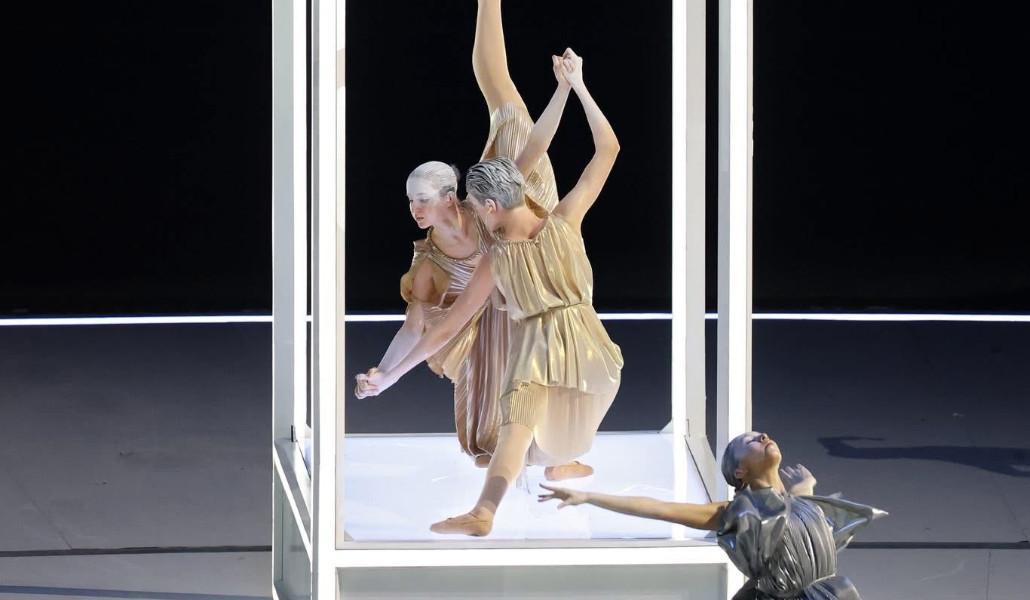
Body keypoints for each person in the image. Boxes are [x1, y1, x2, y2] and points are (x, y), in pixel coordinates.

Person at [358, 49, 624, 536]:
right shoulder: (566, 219)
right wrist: (576, 88)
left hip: (537, 350)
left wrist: (393, 375)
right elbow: (605, 149)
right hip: (593, 351)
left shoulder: (495, 259)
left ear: (489, 206)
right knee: (534, 430)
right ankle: (511, 493)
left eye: (476, 207)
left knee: (516, 432)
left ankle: (486, 510)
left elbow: (447, 328)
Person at [357, 0, 563, 467]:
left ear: (449, 198)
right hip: (495, 309)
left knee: (500, 93)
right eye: (410, 201)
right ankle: (529, 449)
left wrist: (566, 91)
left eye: (422, 200)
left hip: (527, 229)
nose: (414, 211)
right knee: (491, 417)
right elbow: (417, 326)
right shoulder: (429, 261)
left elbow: (532, 151)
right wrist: (384, 373)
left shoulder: (488, 204)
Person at [539, 432, 887, 599]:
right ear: (740, 471)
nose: (764, 436)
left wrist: (806, 488)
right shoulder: (739, 512)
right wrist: (589, 496)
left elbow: (794, 517)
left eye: (761, 435)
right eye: (752, 441)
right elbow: (658, 508)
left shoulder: (797, 501)